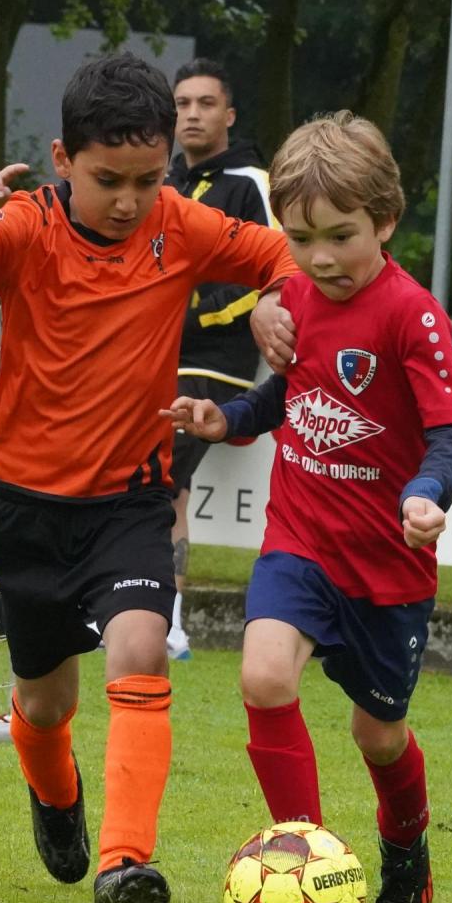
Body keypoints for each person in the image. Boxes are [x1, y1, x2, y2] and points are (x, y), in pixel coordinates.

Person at [0, 52, 298, 903]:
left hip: (130, 499)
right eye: (108, 181)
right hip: (25, 501)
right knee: (46, 703)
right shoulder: (27, 225)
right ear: (63, 160)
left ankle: (125, 864)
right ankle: (56, 795)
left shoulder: (182, 223)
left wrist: (271, 298)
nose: (131, 200)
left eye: (147, 178)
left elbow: (283, 251)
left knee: (141, 648)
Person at [164, 112, 452, 903]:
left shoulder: (412, 314)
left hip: (387, 566)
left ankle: (406, 842)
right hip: (298, 542)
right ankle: (308, 863)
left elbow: (450, 434)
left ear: (386, 221)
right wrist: (228, 418)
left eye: (341, 236)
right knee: (263, 677)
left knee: (379, 735)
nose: (321, 257)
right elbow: (287, 398)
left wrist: (427, 493)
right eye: (300, 239)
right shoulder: (292, 298)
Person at [165, 59, 276, 662]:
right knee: (156, 482)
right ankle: (158, 618)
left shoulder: (252, 182)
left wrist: (198, 316)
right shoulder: (163, 183)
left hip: (218, 363)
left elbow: (279, 269)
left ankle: (167, 623)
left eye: (205, 103)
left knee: (155, 471)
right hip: (157, 357)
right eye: (182, 103)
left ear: (229, 115)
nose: (192, 114)